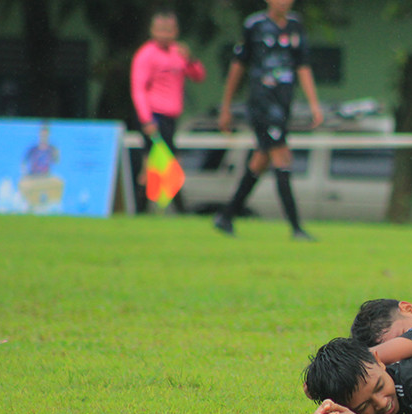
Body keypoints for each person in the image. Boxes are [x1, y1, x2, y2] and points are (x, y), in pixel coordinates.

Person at [212, 0, 323, 240]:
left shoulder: (295, 26)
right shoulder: (254, 25)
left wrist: (314, 104)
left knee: (260, 161)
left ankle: (226, 216)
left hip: (283, 104)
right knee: (282, 156)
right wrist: (226, 106)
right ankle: (296, 227)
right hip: (262, 103)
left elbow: (303, 66)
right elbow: (238, 66)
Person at [130, 9, 206, 213]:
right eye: (160, 30)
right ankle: (178, 211)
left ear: (176, 31)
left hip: (171, 118)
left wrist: (190, 59)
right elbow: (138, 89)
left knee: (157, 165)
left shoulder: (178, 53)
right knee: (165, 164)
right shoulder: (145, 55)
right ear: (152, 30)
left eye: (168, 30)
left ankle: (143, 211)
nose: (164, 34)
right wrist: (146, 119)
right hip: (154, 117)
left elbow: (198, 76)